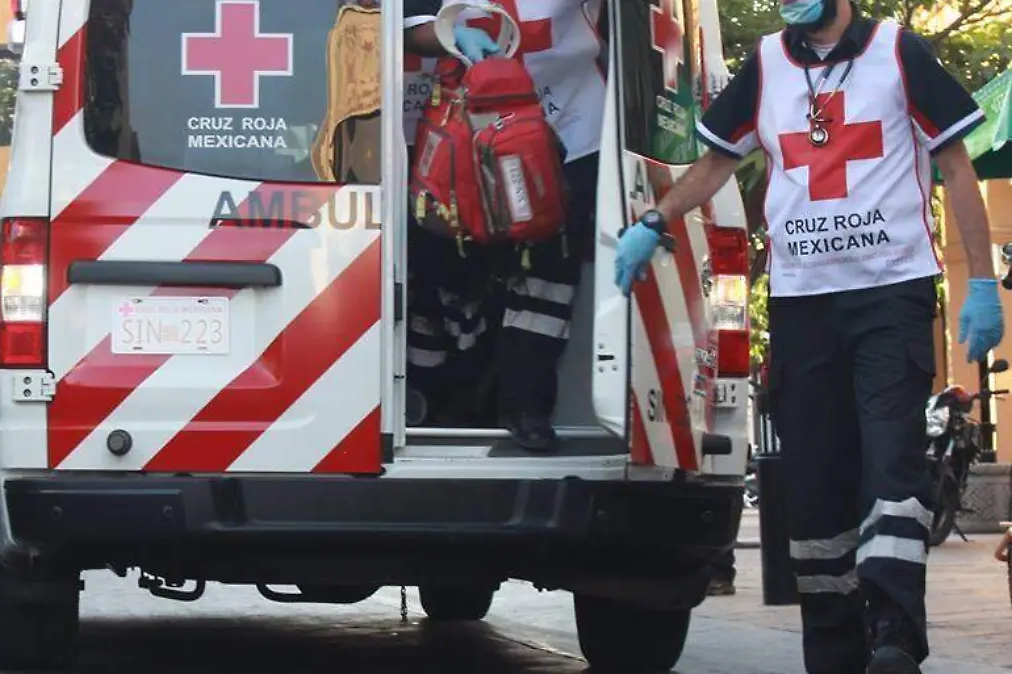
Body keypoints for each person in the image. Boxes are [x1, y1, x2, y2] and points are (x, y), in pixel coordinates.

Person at [614, 1, 1001, 672]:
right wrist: (656, 219)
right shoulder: (766, 63)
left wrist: (984, 283)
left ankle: (893, 634)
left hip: (890, 295)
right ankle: (833, 649)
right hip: (802, 306)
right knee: (817, 486)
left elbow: (957, 166)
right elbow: (716, 163)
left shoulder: (896, 51)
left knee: (890, 467)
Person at [403, 0, 606, 449]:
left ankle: (525, 407)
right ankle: (440, 405)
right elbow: (408, 24)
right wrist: (450, 35)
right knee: (446, 271)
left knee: (549, 274)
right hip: (465, 131)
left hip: (572, 128)